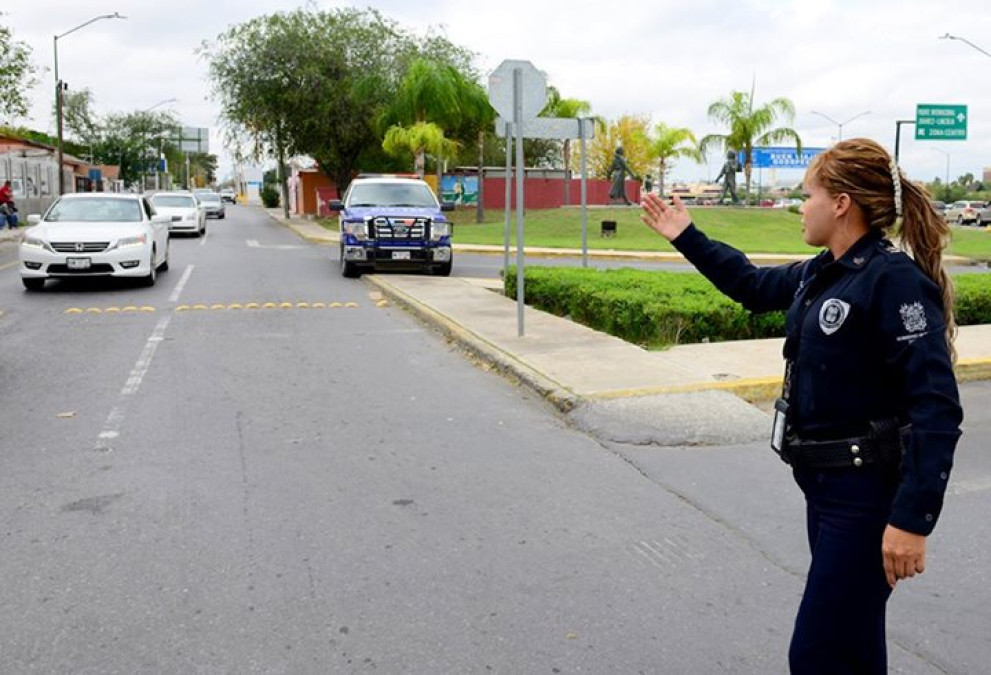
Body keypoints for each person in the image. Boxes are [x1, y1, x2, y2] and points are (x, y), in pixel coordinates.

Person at [641, 138, 962, 674]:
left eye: (808, 194)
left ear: (841, 203)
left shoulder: (893, 280)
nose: (799, 205)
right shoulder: (826, 270)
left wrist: (913, 521)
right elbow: (752, 285)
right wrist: (687, 237)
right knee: (853, 645)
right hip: (826, 488)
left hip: (864, 498)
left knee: (816, 653)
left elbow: (936, 409)